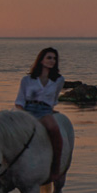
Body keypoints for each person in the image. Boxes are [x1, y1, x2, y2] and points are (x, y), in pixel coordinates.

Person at [15, 47, 65, 182]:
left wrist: (50, 109)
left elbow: (54, 99)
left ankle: (55, 170)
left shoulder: (58, 80)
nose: (52, 61)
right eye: (49, 58)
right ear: (41, 60)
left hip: (44, 110)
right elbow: (19, 101)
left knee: (54, 130)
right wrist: (22, 114)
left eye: (54, 58)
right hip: (28, 109)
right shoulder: (27, 80)